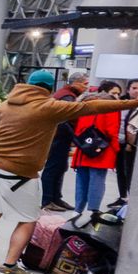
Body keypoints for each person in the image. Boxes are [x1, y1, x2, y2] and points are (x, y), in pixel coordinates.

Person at [0, 68, 138, 274]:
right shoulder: (48, 106)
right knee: (28, 219)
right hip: (23, 174)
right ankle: (9, 265)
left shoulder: (7, 104)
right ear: (47, 88)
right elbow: (92, 106)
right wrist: (133, 102)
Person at [38, 69, 88, 211]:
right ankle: (47, 199)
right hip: (58, 137)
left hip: (60, 137)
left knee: (59, 167)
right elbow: (66, 118)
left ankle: (55, 197)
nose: (86, 87)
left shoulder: (67, 94)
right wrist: (75, 136)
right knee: (53, 167)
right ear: (76, 83)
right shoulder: (67, 96)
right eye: (84, 84)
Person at [70, 84, 122, 216]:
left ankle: (77, 210)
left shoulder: (88, 105)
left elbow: (79, 128)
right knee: (97, 181)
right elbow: (112, 131)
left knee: (81, 181)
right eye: (114, 93)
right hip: (102, 151)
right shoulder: (112, 108)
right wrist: (116, 150)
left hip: (84, 149)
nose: (117, 96)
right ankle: (92, 211)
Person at [115, 77, 138, 198]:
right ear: (128, 90)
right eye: (134, 88)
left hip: (133, 145)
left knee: (130, 172)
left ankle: (129, 197)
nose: (137, 91)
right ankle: (122, 196)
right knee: (120, 171)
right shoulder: (121, 103)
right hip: (119, 141)